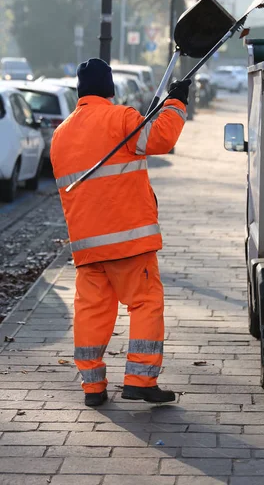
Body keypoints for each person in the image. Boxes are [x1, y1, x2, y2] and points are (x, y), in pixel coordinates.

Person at [50, 58, 191, 407]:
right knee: (145, 303)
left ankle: (93, 387)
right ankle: (140, 380)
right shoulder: (121, 118)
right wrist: (175, 103)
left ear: (80, 92)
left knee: (92, 312)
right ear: (110, 89)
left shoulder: (60, 134)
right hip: (129, 240)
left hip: (87, 246)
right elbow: (158, 138)